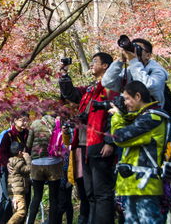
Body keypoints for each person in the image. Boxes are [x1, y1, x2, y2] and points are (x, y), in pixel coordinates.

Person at [59, 52, 118, 224]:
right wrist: (64, 75)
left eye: (95, 62)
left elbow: (115, 116)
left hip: (99, 144)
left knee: (102, 192)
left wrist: (109, 141)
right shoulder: (91, 89)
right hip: (84, 145)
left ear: (105, 66)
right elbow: (71, 94)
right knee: (89, 192)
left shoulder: (111, 88)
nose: (91, 65)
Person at [110, 81, 167, 224]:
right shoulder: (139, 117)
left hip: (145, 184)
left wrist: (117, 116)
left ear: (138, 96)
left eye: (127, 99)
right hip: (131, 183)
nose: (125, 103)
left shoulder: (153, 118)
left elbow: (119, 137)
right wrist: (123, 114)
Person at [102, 37, 168, 108]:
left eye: (138, 48)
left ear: (148, 55)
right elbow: (107, 82)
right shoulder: (128, 72)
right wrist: (119, 61)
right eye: (133, 48)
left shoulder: (158, 71)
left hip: (149, 115)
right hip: (128, 115)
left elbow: (147, 87)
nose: (134, 51)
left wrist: (133, 61)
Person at [26, 114, 62, 224]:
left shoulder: (35, 124)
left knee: (36, 196)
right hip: (54, 163)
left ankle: (30, 221)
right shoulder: (58, 124)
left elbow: (28, 143)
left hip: (37, 163)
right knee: (54, 198)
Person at [0, 112, 30, 223]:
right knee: (9, 199)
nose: (24, 122)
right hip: (10, 171)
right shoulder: (8, 135)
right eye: (21, 120)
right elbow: (1, 153)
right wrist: (7, 163)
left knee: (26, 199)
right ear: (15, 120)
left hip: (24, 171)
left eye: (26, 120)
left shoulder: (28, 134)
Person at [6, 141, 31, 224]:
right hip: (18, 192)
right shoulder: (19, 162)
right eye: (23, 152)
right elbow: (28, 169)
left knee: (15, 212)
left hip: (13, 192)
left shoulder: (11, 161)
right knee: (21, 212)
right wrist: (28, 158)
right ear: (20, 152)